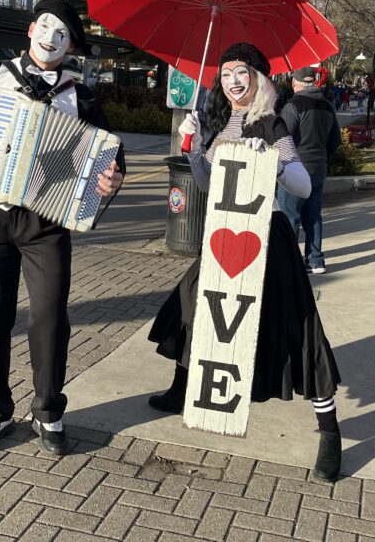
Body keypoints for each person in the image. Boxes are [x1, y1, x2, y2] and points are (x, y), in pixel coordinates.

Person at [0, 0, 124, 457]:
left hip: (47, 221)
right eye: (46, 27)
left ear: (71, 45)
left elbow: (112, 155)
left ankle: (49, 410)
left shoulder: (81, 95)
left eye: (63, 34)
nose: (51, 38)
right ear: (31, 29)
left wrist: (111, 178)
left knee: (49, 318)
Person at [147, 43, 343, 482]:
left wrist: (272, 162)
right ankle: (183, 388)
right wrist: (196, 144)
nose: (234, 81)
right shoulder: (216, 122)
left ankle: (330, 431)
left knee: (299, 327)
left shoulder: (272, 121)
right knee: (194, 305)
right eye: (227, 72)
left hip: (267, 237)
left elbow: (304, 187)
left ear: (259, 77)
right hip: (223, 235)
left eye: (243, 72)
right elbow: (204, 180)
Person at [277, 67, 341, 275]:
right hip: (318, 169)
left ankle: (288, 262)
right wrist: (323, 158)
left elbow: (282, 140)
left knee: (290, 216)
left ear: (296, 85)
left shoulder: (292, 106)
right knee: (313, 216)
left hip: (295, 170)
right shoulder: (327, 107)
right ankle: (316, 261)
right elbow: (335, 141)